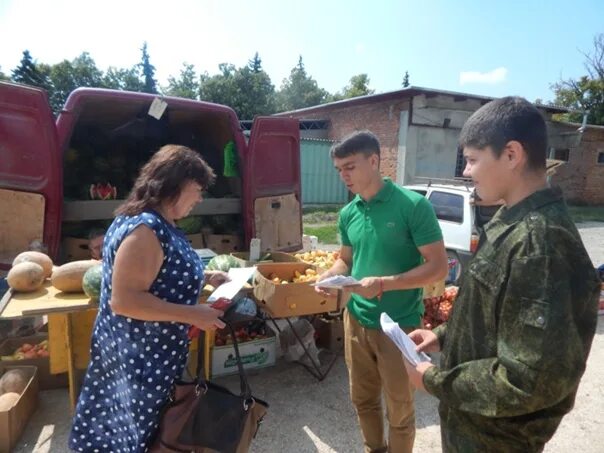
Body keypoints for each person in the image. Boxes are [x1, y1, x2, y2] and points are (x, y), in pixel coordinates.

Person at [405, 97, 601, 452]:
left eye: (472, 159)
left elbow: (528, 380)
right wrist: (442, 336)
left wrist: (434, 380)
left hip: (496, 441)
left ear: (511, 155)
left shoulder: (540, 244)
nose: (466, 171)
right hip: (472, 427)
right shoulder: (510, 221)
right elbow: (497, 316)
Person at [69, 145, 231, 452]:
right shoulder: (145, 229)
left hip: (148, 356)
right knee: (135, 435)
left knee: (142, 434)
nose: (199, 198)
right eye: (197, 190)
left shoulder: (157, 222)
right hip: (140, 361)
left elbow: (159, 274)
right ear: (175, 185)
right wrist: (193, 314)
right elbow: (125, 301)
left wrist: (206, 277)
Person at [316, 131, 448, 453]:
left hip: (399, 325)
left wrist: (385, 283)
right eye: (338, 170)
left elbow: (438, 267)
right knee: (363, 400)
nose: (343, 175)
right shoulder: (349, 213)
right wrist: (329, 275)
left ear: (374, 161)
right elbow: (346, 260)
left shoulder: (413, 206)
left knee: (400, 409)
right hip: (356, 322)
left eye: (349, 166)